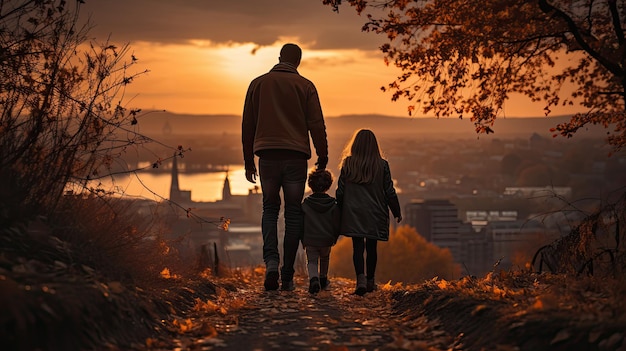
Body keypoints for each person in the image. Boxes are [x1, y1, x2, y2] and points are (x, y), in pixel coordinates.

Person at [242, 43, 329, 292]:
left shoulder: (257, 84)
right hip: (295, 158)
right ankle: (287, 274)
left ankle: (271, 263)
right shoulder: (306, 86)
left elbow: (248, 124)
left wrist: (249, 159)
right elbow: (316, 124)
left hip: (267, 156)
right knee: (293, 215)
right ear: (298, 62)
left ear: (279, 57)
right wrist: (322, 156)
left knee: (269, 210)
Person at [336, 129, 402, 296]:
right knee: (372, 247)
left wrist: (339, 210)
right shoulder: (382, 165)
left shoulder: (348, 163)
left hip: (354, 212)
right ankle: (371, 281)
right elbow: (389, 191)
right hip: (375, 211)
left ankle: (360, 280)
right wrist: (396, 211)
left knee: (357, 246)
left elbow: (340, 191)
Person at [301, 169, 340, 294]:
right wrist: (335, 237)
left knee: (311, 261)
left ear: (310, 185)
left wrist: (302, 238)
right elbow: (336, 223)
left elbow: (301, 223)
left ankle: (313, 279)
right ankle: (323, 278)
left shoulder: (306, 204)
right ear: (328, 186)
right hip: (326, 239)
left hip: (310, 238)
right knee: (325, 258)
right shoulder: (333, 204)